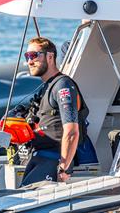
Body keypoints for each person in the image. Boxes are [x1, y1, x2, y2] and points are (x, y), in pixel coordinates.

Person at [18, 37, 90, 185]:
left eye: (34, 55)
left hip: (54, 159)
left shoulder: (63, 85)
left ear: (50, 56)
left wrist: (63, 168)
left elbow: (71, 132)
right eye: (27, 56)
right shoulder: (46, 87)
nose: (29, 61)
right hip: (38, 157)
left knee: (26, 201)